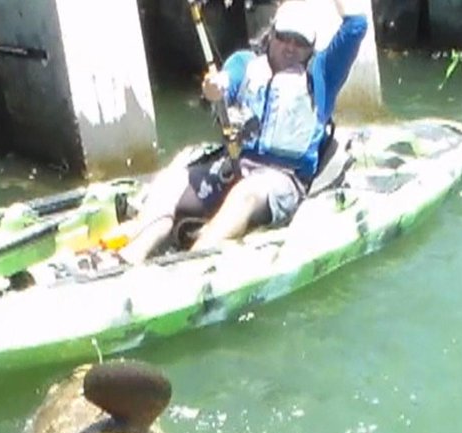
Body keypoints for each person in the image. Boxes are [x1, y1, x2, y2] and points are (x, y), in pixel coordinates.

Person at [116, 0, 368, 264]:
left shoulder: (323, 74)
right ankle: (130, 256)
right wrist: (215, 88)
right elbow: (225, 82)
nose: (290, 48)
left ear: (311, 47)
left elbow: (356, 25)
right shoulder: (245, 63)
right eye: (284, 37)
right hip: (235, 166)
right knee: (172, 182)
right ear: (272, 35)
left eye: (300, 42)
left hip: (283, 179)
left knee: (246, 192)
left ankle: (192, 263)